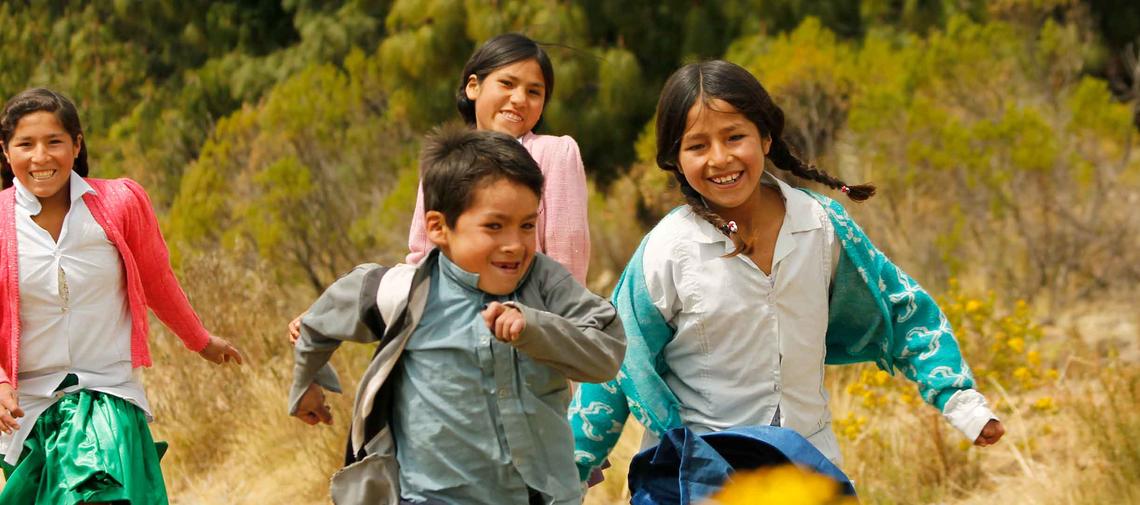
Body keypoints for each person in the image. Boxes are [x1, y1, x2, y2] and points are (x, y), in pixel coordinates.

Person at [569, 60, 1005, 482]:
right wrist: (573, 465)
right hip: (701, 474)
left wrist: (960, 401)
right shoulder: (667, 249)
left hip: (808, 468)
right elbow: (615, 356)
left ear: (765, 138)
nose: (720, 159)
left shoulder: (820, 226)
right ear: (675, 159)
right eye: (697, 146)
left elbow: (903, 309)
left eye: (734, 136)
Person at [288, 125, 624, 504]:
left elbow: (607, 353)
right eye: (494, 226)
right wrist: (306, 384)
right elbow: (317, 324)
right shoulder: (402, 291)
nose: (514, 244)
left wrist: (535, 328)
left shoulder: (545, 282)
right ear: (438, 227)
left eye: (527, 225)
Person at [0, 88, 244, 504]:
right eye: (25, 144)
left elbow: (157, 280)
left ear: (77, 145)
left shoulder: (118, 203)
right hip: (29, 410)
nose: (41, 157)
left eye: (54, 142)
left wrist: (200, 340)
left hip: (107, 392)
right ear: (6, 153)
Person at [288, 33, 590, 344]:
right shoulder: (444, 163)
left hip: (527, 336)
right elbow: (422, 259)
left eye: (534, 92)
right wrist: (326, 316)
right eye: (507, 84)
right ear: (473, 86)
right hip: (452, 336)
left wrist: (555, 338)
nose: (519, 99)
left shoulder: (555, 154)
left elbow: (568, 264)